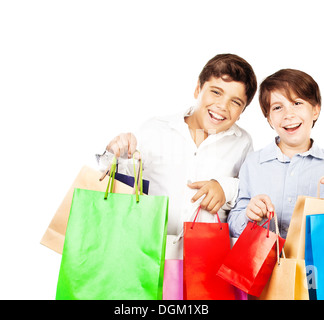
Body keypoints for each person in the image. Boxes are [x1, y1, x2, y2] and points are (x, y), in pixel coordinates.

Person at [98, 53, 257, 252]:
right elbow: (116, 180)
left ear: (242, 111)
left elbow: (249, 190)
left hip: (205, 258)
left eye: (235, 102)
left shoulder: (242, 142)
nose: (222, 106)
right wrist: (115, 153)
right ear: (198, 88)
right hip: (147, 251)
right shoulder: (155, 129)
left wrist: (226, 188)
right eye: (216, 92)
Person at [228, 68, 324, 239]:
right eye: (278, 107)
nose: (289, 114)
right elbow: (233, 227)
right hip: (264, 264)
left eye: (297, 103)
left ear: (315, 110)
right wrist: (248, 215)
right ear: (270, 119)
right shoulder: (253, 163)